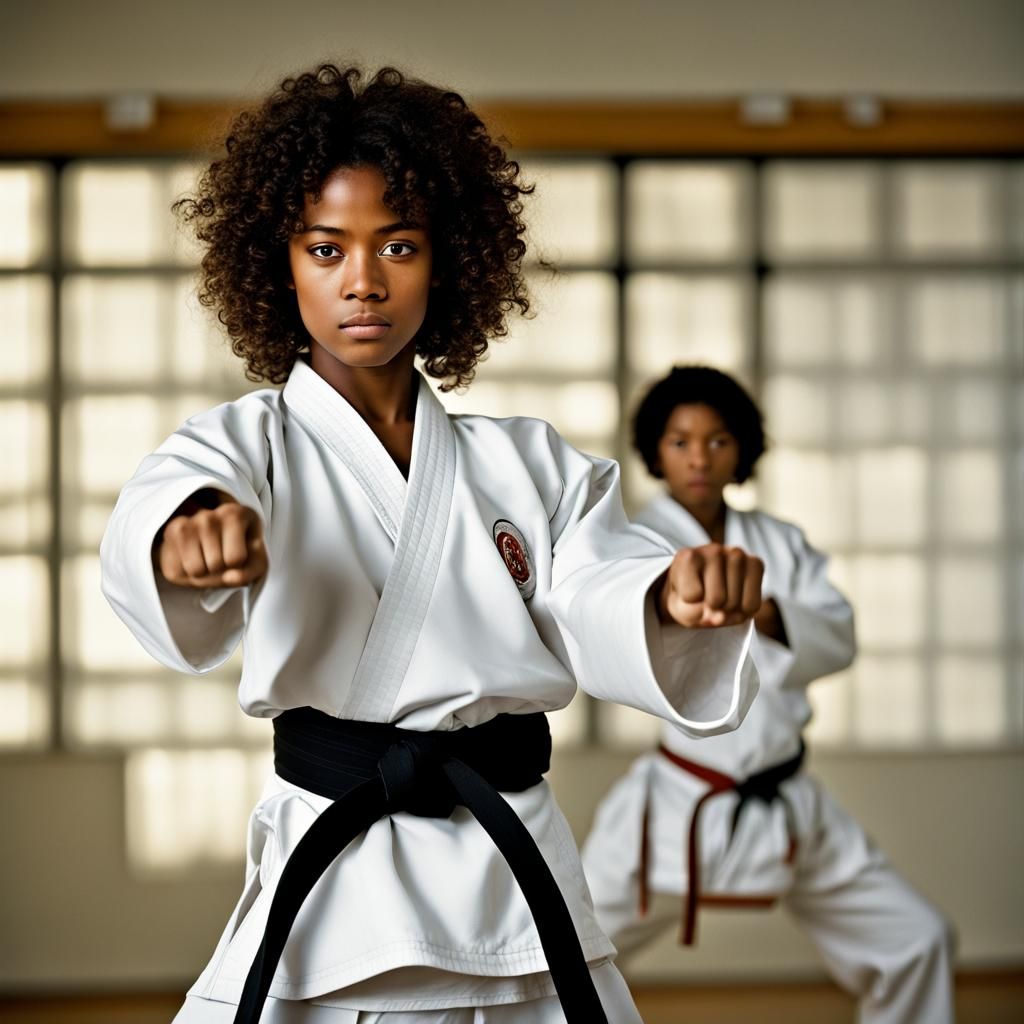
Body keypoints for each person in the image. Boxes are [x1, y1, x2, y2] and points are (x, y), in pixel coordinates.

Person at [100, 66, 767, 1024]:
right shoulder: (246, 447)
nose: (362, 280)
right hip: (337, 869)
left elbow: (597, 585)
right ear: (278, 266)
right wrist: (186, 534)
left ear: (448, 260)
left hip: (510, 867)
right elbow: (166, 502)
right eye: (325, 248)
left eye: (398, 245)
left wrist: (668, 597)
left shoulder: (529, 463)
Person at [581, 365, 956, 1024]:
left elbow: (837, 636)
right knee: (558, 955)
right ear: (655, 452)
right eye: (680, 441)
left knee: (916, 941)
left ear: (742, 450)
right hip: (676, 803)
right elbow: (599, 640)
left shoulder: (781, 544)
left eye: (718, 440)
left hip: (785, 800)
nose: (700, 458)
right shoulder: (632, 545)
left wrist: (767, 611)